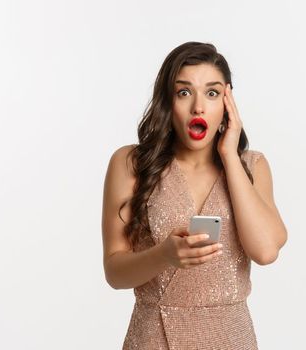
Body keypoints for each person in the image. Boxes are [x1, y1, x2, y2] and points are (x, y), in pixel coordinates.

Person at [101, 41, 287, 349]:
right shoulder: (131, 163)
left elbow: (266, 251)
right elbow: (114, 273)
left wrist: (229, 155)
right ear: (167, 101)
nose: (198, 106)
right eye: (184, 92)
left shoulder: (252, 166)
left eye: (212, 93)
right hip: (153, 337)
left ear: (228, 103)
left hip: (231, 338)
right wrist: (163, 255)